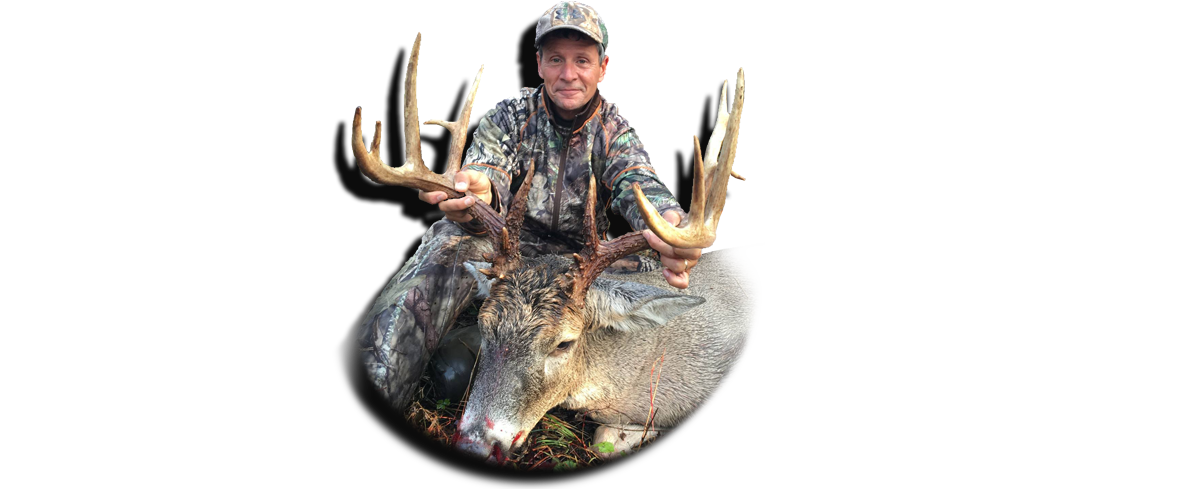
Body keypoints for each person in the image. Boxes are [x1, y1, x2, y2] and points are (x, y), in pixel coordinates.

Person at [355, 1, 703, 410]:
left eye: (582, 60)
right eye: (556, 59)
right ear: (539, 64)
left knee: (661, 278)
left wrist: (669, 222)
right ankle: (378, 384)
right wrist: (477, 192)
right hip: (510, 261)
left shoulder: (614, 131)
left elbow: (637, 183)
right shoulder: (509, 118)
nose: (568, 74)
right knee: (449, 237)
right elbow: (485, 172)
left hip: (578, 272)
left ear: (602, 67)